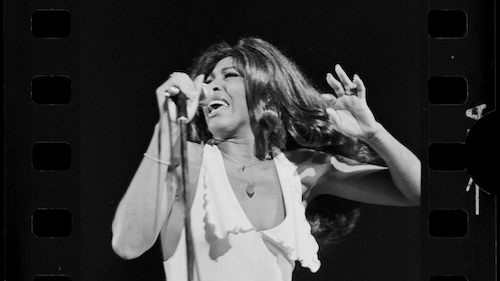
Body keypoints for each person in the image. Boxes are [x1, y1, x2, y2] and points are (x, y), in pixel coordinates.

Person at [111, 37, 421, 281]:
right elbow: (127, 245)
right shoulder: (187, 160)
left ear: (266, 95)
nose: (211, 85)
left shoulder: (301, 172)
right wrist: (167, 126)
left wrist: (373, 132)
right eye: (208, 80)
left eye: (229, 75)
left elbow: (420, 192)